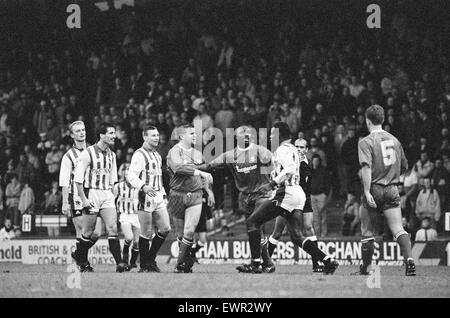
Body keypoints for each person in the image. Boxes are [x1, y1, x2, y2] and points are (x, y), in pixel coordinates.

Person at [243, 122, 339, 274]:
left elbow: (289, 169)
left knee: (252, 221)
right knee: (296, 237)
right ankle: (327, 260)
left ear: (280, 134)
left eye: (273, 133)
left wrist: (272, 184)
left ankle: (256, 264)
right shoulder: (293, 149)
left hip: (286, 193)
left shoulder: (282, 149)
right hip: (296, 193)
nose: (270, 136)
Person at [197, 125, 276, 273]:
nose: (246, 136)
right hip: (245, 197)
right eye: (242, 134)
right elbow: (210, 165)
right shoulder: (230, 155)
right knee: (253, 229)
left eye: (248, 134)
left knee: (256, 226)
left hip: (261, 195)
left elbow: (273, 161)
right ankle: (267, 263)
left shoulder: (260, 151)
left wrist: (273, 179)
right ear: (236, 137)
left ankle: (258, 263)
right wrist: (192, 168)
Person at [357, 104, 415, 276]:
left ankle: (366, 269)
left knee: (368, 231)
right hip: (392, 188)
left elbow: (366, 168)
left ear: (368, 121)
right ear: (382, 120)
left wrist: (367, 191)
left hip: (374, 187)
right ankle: (410, 261)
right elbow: (404, 166)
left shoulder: (365, 142)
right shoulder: (395, 140)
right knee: (398, 229)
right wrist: (391, 175)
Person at [74, 122, 127, 273]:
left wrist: (115, 193)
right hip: (92, 194)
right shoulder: (88, 153)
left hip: (107, 195)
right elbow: (78, 180)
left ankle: (120, 263)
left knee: (112, 228)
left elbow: (113, 179)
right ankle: (82, 261)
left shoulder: (112, 155)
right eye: (110, 133)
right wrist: (84, 199)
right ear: (101, 135)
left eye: (114, 133)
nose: (114, 136)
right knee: (88, 232)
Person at [267, 138, 324, 272]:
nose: (298, 149)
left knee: (309, 227)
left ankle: (316, 264)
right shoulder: (291, 161)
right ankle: (266, 262)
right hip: (290, 198)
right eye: (297, 147)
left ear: (306, 149)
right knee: (277, 232)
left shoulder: (306, 163)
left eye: (301, 147)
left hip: (305, 199)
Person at [166, 124, 214, 273]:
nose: (195, 135)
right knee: (181, 234)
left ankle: (179, 265)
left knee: (189, 231)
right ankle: (186, 262)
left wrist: (208, 190)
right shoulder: (173, 152)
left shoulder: (198, 154)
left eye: (195, 133)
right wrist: (199, 172)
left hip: (195, 195)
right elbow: (179, 169)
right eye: (191, 133)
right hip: (177, 196)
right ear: (181, 136)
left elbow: (204, 173)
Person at [127, 125, 171, 272]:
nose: (156, 138)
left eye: (157, 135)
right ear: (145, 137)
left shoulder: (157, 155)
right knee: (146, 232)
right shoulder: (139, 154)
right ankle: (145, 264)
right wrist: (143, 186)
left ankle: (150, 259)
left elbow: (158, 177)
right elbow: (131, 176)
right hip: (144, 196)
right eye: (153, 135)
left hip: (158, 196)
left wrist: (163, 194)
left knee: (165, 228)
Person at [59, 121, 101, 271]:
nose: (82, 133)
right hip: (76, 195)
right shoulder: (68, 156)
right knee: (82, 230)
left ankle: (78, 254)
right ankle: (84, 264)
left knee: (96, 232)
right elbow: (64, 180)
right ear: (72, 135)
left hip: (92, 194)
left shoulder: (92, 150)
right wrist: (65, 202)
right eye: (78, 131)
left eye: (83, 130)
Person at [113, 177, 140, 271]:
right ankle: (124, 261)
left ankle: (132, 263)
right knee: (129, 237)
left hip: (137, 216)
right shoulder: (118, 186)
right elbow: (113, 199)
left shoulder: (140, 186)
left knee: (137, 241)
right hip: (125, 215)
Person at [310, 155, 333, 237]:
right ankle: (317, 233)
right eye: (314, 161)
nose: (315, 162)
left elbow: (328, 183)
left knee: (323, 215)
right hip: (312, 195)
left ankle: (324, 233)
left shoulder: (324, 171)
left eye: (317, 161)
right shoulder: (309, 171)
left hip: (321, 195)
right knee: (315, 216)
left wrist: (325, 194)